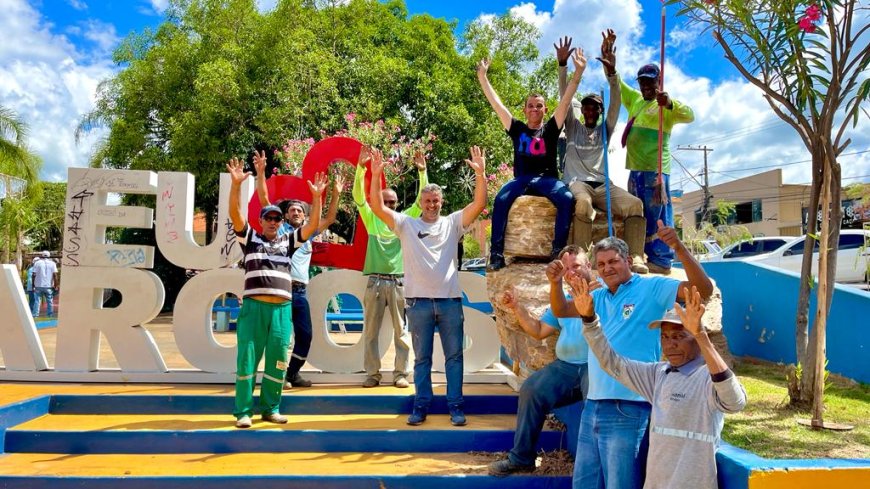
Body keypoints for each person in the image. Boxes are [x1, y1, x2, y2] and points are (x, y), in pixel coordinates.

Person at [550, 222, 713, 489]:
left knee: (620, 484)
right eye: (601, 265)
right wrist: (555, 283)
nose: (607, 268)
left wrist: (678, 247)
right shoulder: (599, 296)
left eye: (613, 261)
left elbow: (702, 289)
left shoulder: (652, 288)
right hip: (593, 404)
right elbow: (561, 310)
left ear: (627, 260)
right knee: (584, 483)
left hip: (630, 406)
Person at [570, 280, 746, 488]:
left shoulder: (708, 378)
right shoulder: (658, 374)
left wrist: (701, 335)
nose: (670, 344)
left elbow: (735, 402)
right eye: (665, 337)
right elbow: (612, 363)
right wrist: (589, 320)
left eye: (680, 336)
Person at [368, 146, 487, 426]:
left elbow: (479, 204)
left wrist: (480, 174)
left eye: (436, 200)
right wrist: (375, 175)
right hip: (418, 303)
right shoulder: (405, 224)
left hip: (449, 303)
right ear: (420, 203)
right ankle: (420, 407)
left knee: (454, 358)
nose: (432, 205)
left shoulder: (452, 223)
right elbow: (377, 206)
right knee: (421, 360)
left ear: (441, 202)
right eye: (428, 201)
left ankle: (456, 407)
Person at [226, 156, 326, 429]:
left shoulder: (289, 241)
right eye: (268, 218)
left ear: (281, 222)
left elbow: (313, 223)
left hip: (282, 308)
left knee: (278, 360)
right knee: (247, 360)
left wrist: (316, 198)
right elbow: (235, 214)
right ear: (260, 221)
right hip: (254, 307)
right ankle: (243, 411)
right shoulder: (250, 238)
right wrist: (236, 185)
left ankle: (271, 408)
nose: (272, 222)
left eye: (276, 218)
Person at [477, 48, 586, 271]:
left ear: (545, 109)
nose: (535, 109)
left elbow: (566, 101)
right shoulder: (516, 128)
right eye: (531, 106)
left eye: (539, 106)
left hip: (547, 180)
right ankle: (496, 254)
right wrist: (483, 77)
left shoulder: (552, 128)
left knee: (566, 198)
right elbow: (497, 104)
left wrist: (578, 73)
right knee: (501, 199)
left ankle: (557, 252)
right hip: (522, 179)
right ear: (524, 110)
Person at [489, 245, 591, 476]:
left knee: (594, 400)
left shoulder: (604, 292)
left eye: (576, 266)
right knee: (530, 389)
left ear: (589, 265)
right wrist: (516, 307)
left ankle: (589, 467)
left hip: (595, 366)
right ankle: (522, 458)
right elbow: (538, 330)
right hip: (565, 367)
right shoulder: (562, 301)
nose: (572, 272)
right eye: (566, 269)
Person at [555, 32, 647, 274]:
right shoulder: (572, 127)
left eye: (594, 107)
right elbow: (565, 98)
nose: (589, 110)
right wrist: (563, 66)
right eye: (585, 107)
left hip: (603, 185)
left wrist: (613, 74)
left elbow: (616, 102)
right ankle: (582, 258)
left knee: (635, 204)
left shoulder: (605, 130)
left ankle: (636, 256)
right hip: (578, 184)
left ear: (599, 110)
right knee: (583, 205)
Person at [253, 150, 344, 388]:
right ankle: (277, 376)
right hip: (279, 290)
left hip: (300, 292)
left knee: (305, 336)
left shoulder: (308, 233)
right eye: (291, 210)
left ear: (305, 217)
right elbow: (264, 199)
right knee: (279, 338)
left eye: (299, 211)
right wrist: (260, 172)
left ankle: (292, 373)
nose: (295, 212)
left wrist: (335, 194)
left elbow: (330, 217)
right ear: (284, 216)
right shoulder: (280, 232)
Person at [352, 148, 428, 388]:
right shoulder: (371, 217)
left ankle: (400, 374)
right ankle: (372, 374)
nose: (388, 205)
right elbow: (358, 197)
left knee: (401, 332)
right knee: (371, 332)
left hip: (398, 283)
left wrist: (422, 172)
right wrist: (361, 169)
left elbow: (420, 203)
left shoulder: (404, 221)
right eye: (384, 202)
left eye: (392, 202)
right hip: (374, 282)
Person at [618, 56, 695, 274]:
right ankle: (640, 255)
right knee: (638, 214)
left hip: (656, 172)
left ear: (659, 81)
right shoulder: (635, 100)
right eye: (642, 82)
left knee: (658, 215)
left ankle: (661, 261)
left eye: (650, 82)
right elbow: (618, 85)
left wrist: (670, 103)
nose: (646, 86)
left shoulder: (665, 105)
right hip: (635, 170)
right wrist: (612, 68)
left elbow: (690, 115)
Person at [31, 251, 58, 317]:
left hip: (38, 285)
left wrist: (33, 285)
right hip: (48, 285)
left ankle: (35, 315)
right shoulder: (53, 263)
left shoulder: (37, 263)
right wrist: (56, 285)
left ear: (42, 256)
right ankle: (49, 314)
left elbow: (34, 274)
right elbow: (55, 275)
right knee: (50, 301)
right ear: (49, 256)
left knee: (37, 301)